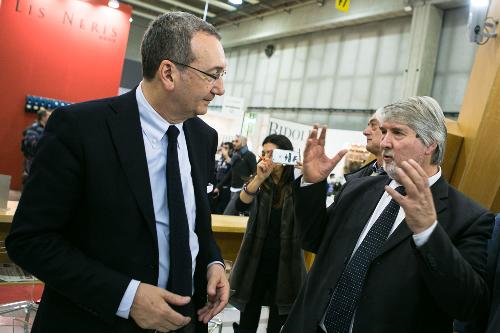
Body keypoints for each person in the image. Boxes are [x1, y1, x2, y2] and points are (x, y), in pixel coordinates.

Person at [6, 12, 229, 333]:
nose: (219, 88)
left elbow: (195, 223)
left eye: (222, 74)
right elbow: (30, 240)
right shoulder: (81, 129)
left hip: (186, 322)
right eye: (212, 74)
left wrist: (213, 262)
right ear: (168, 73)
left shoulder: (203, 137)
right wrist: (127, 296)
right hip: (96, 321)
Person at [281, 96, 494, 333]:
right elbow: (313, 240)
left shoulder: (469, 218)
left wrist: (428, 232)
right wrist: (312, 184)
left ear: (430, 144)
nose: (384, 142)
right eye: (384, 131)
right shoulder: (358, 189)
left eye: (398, 133)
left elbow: (468, 305)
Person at [229, 134, 306, 333]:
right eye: (264, 153)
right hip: (256, 257)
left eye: (272, 153)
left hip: (285, 261)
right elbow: (240, 203)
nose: (267, 158)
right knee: (248, 315)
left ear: (286, 156)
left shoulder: (297, 185)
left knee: (278, 319)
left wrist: (309, 179)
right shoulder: (260, 182)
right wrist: (259, 178)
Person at [214, 135, 257, 216]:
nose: (234, 143)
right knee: (233, 216)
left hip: (240, 190)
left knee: (227, 214)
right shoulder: (236, 156)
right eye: (233, 141)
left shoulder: (250, 156)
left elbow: (256, 173)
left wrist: (247, 186)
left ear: (243, 143)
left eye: (237, 141)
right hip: (232, 189)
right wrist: (218, 187)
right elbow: (230, 173)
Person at [344, 110, 384, 181]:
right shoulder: (363, 174)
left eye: (373, 125)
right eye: (368, 125)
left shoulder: (400, 180)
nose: (365, 132)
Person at [20, 108, 52, 181]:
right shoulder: (34, 128)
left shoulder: (48, 129)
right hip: (32, 161)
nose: (51, 118)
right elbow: (33, 144)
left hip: (43, 162)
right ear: (43, 117)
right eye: (49, 116)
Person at [211, 141, 233, 214]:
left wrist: (219, 187)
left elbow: (228, 175)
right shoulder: (220, 158)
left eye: (226, 148)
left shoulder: (232, 159)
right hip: (216, 185)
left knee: (221, 209)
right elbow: (215, 171)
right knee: (213, 207)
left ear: (231, 150)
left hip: (225, 187)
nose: (224, 150)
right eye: (223, 147)